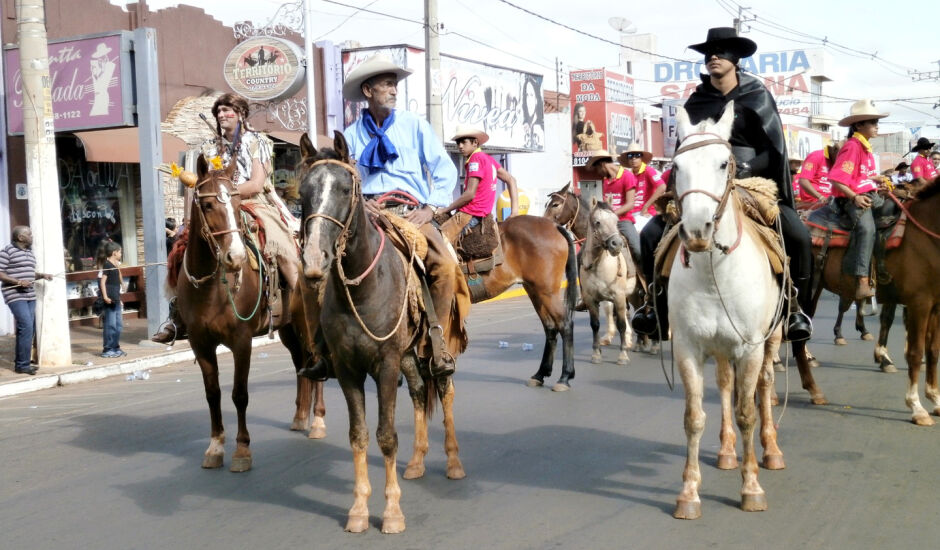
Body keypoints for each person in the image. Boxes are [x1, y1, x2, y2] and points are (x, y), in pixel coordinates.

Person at [633, 27, 813, 341]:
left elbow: (773, 151)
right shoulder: (697, 100)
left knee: (799, 236)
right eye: (709, 52)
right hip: (703, 182)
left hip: (751, 179)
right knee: (650, 235)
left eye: (721, 51)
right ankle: (654, 309)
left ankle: (795, 311)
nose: (713, 56)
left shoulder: (756, 95)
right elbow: (684, 149)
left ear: (737, 58)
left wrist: (740, 167)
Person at [300, 53, 469, 380]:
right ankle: (322, 349)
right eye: (386, 85)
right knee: (319, 269)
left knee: (446, 266)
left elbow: (445, 170)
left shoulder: (415, 125)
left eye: (394, 85)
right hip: (367, 214)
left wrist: (431, 207)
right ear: (368, 91)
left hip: (411, 212)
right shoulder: (349, 136)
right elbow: (342, 179)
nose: (393, 91)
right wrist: (361, 203)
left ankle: (436, 343)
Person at [151, 93, 301, 344]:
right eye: (218, 111)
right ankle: (178, 315)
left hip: (254, 202)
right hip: (218, 207)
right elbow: (203, 184)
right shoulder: (210, 147)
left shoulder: (257, 142)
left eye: (227, 110)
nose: (222, 115)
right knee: (181, 245)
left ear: (240, 113)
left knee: (278, 242)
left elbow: (256, 183)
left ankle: (302, 299)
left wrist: (226, 193)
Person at [827, 99, 891, 301]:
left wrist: (875, 180)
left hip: (870, 195)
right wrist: (854, 197)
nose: (876, 126)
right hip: (851, 199)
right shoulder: (852, 147)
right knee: (867, 229)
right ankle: (863, 279)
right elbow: (836, 178)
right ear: (858, 125)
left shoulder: (866, 148)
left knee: (898, 215)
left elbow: (859, 176)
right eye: (872, 122)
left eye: (876, 122)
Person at [439, 125, 519, 245]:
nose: (460, 146)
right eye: (458, 143)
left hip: (470, 214)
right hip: (483, 213)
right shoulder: (489, 159)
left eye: (463, 142)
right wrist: (514, 212)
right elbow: (511, 180)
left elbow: (470, 194)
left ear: (475, 143)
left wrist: (446, 209)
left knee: (439, 243)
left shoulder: (475, 159)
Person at [0, 226, 52, 375]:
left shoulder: (29, 252)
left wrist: (42, 275)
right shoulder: (7, 251)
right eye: (29, 234)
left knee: (28, 328)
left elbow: (28, 273)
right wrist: (17, 281)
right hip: (15, 294)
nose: (32, 236)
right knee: (26, 326)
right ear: (20, 237)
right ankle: (22, 365)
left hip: (30, 295)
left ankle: (21, 363)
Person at [587, 152, 640, 262]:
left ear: (602, 165)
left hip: (624, 221)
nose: (598, 173)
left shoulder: (627, 176)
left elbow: (630, 204)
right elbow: (607, 205)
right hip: (607, 221)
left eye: (597, 169)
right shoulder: (606, 181)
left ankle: (645, 277)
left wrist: (613, 215)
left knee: (637, 249)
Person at [619, 143, 666, 230]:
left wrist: (646, 206)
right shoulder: (627, 175)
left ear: (641, 158)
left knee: (634, 232)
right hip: (629, 214)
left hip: (644, 214)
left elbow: (662, 187)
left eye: (637, 155)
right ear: (628, 159)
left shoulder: (648, 170)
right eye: (630, 156)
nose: (634, 158)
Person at [97, 241, 126, 358]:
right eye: (120, 252)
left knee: (118, 325)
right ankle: (108, 348)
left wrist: (122, 283)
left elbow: (118, 274)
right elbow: (103, 282)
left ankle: (115, 347)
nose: (121, 254)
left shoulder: (115, 264)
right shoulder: (107, 265)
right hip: (109, 298)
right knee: (111, 324)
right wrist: (105, 296)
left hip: (116, 297)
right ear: (114, 253)